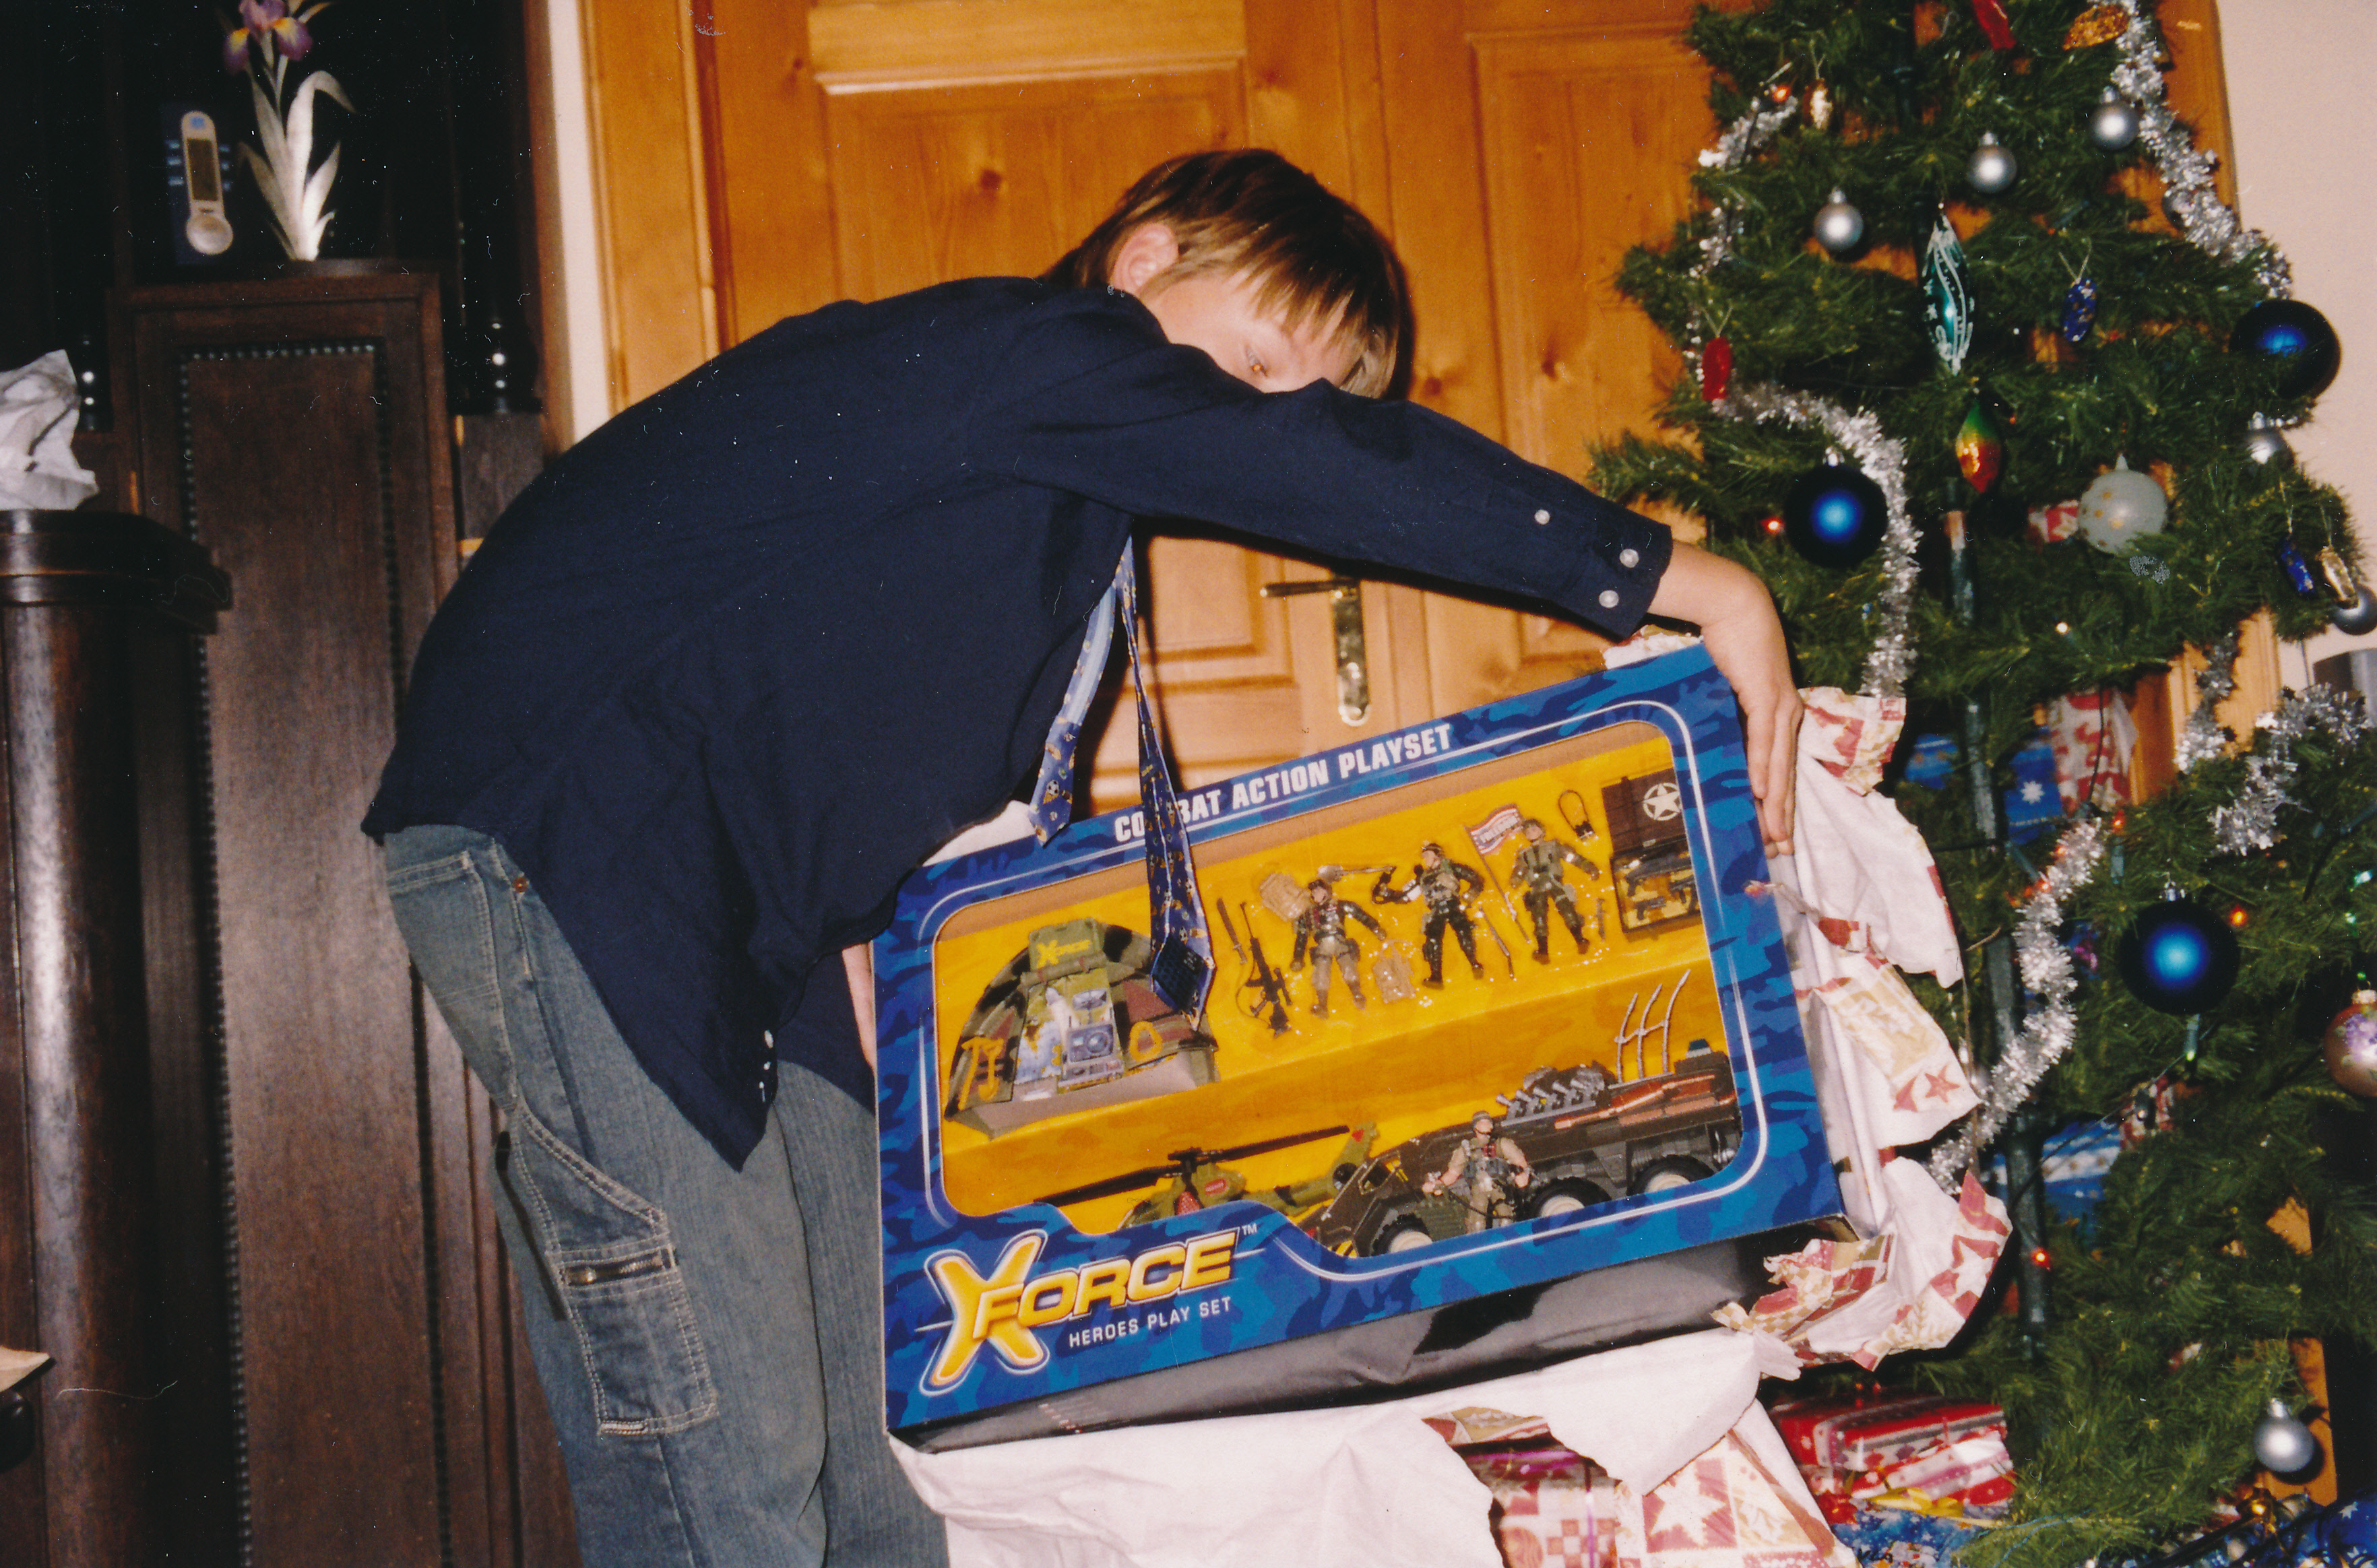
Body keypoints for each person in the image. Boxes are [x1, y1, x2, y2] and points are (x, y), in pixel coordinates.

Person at [364, 148, 1802, 1567]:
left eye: (1298, 399)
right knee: (728, 1461)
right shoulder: (1038, 350)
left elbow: (851, 742)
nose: (1262, 420)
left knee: (885, 1462)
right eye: (1256, 368)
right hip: (582, 832)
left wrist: (884, 981)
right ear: (1145, 259)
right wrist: (1693, 584)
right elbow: (1317, 466)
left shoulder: (1039, 511)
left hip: (744, 913)